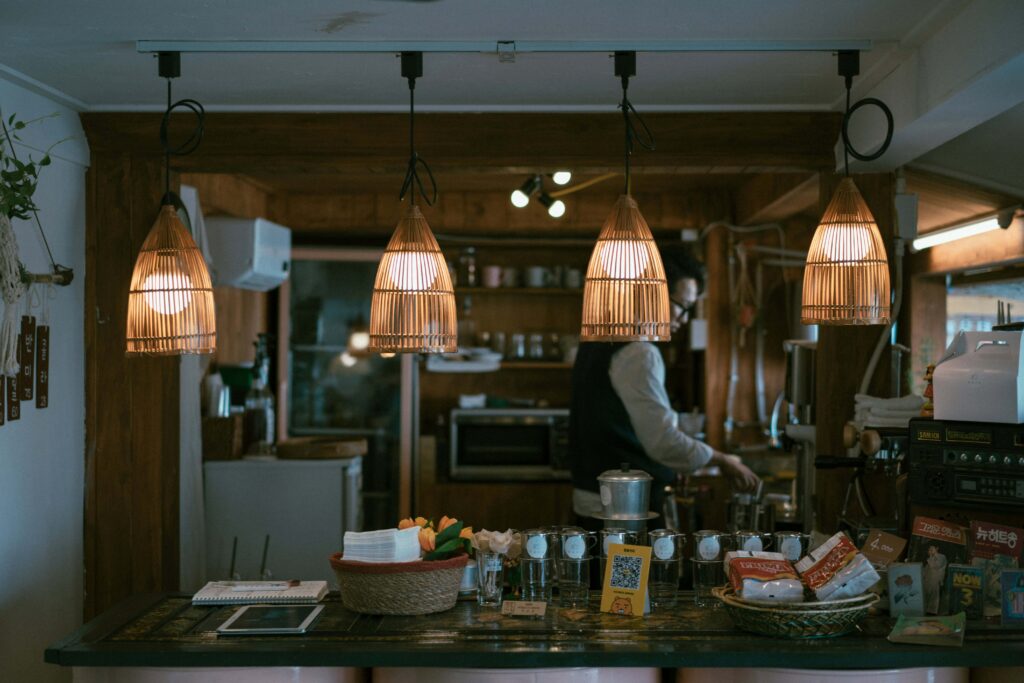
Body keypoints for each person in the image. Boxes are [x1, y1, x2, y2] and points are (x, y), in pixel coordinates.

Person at [568, 249, 760, 523]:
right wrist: (722, 460)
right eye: (682, 305)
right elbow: (663, 442)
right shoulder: (639, 353)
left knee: (595, 568)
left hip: (595, 502)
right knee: (629, 569)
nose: (684, 318)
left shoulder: (597, 338)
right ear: (653, 294)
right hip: (624, 512)